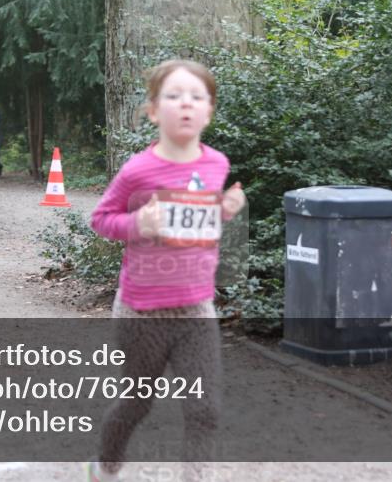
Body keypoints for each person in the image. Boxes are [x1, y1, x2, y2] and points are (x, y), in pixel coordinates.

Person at [86, 60, 246, 482]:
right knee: (137, 403)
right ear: (154, 110)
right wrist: (137, 224)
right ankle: (104, 467)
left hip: (196, 311)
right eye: (174, 96)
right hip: (142, 314)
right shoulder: (137, 170)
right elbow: (101, 220)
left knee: (205, 409)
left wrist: (224, 211)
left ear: (209, 110)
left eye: (197, 97)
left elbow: (197, 221)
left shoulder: (216, 164)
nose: (186, 105)